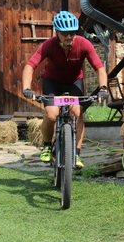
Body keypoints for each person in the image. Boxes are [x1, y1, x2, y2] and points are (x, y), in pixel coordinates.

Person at [22, 11, 109, 169]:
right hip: (52, 82)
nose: (69, 36)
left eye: (72, 33)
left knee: (77, 112)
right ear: (57, 32)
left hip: (74, 82)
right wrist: (26, 88)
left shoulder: (84, 44)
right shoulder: (48, 45)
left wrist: (103, 88)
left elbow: (99, 68)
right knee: (51, 115)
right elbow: (30, 66)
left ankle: (76, 153)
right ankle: (47, 146)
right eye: (65, 33)